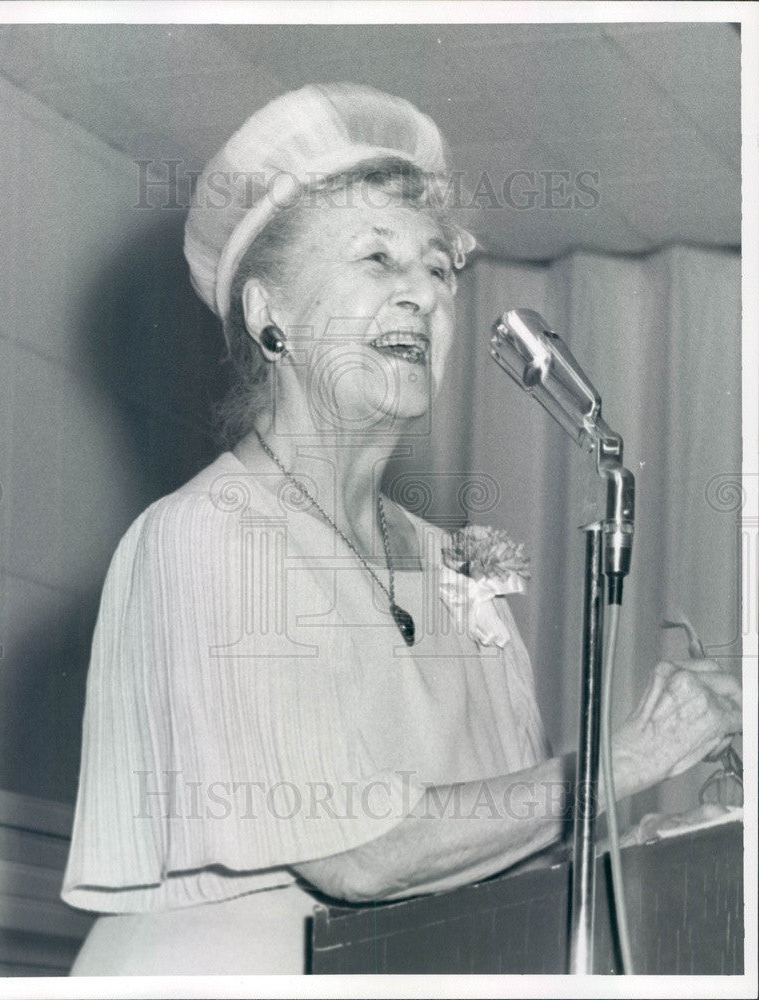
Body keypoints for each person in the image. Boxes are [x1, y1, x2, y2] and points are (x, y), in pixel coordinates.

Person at [61, 83, 742, 975]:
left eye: (437, 267)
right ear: (271, 316)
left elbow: (501, 854)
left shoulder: (451, 566)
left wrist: (677, 835)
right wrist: (634, 756)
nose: (421, 293)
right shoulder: (204, 537)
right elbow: (360, 853)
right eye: (376, 259)